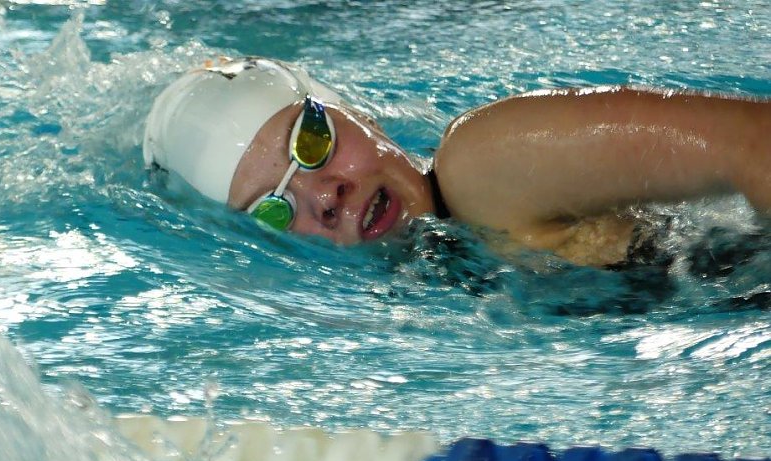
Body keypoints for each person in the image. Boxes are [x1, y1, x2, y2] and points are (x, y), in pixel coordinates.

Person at [143, 57, 771, 267]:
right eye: (274, 209)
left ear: (357, 113)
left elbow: (755, 144)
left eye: (312, 143)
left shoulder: (486, 161)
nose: (325, 195)